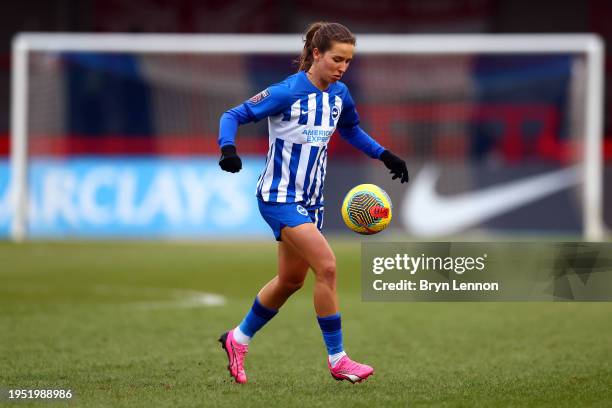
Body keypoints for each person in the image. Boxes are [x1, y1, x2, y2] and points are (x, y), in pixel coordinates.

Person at [217, 21, 408, 384]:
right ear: (316, 54)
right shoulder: (286, 92)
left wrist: (385, 155)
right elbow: (233, 115)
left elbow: (350, 129)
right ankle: (338, 359)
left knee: (290, 282)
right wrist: (228, 149)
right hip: (278, 197)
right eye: (337, 59)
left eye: (348, 61)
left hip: (312, 202)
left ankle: (236, 339)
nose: (342, 67)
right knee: (328, 267)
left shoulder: (339, 95)